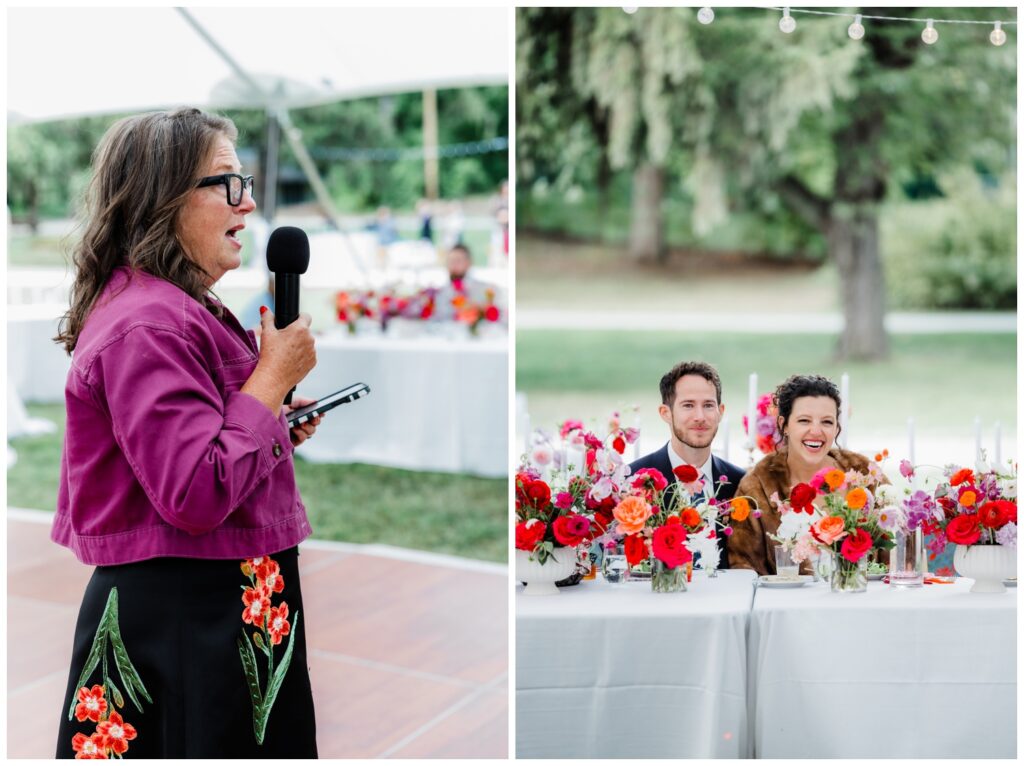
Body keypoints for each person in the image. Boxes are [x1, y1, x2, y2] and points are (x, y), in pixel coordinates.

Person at [51, 108, 321, 758]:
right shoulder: (149, 324)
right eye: (227, 182)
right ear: (165, 197)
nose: (250, 201)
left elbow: (204, 436)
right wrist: (269, 379)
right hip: (189, 614)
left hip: (227, 601)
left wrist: (270, 411)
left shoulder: (179, 302)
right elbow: (195, 492)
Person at [728, 374, 882, 576]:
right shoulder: (757, 486)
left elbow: (894, 560)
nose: (816, 431)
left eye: (827, 422)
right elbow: (743, 568)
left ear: (837, 426)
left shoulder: (864, 474)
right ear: (784, 425)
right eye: (804, 420)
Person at [629, 361, 746, 570]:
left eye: (708, 405)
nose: (700, 417)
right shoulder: (634, 479)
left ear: (721, 411)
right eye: (688, 405)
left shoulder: (741, 484)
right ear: (666, 413)